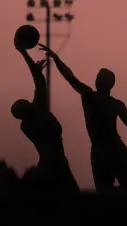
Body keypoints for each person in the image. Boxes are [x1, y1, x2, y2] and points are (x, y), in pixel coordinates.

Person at [38, 43, 127, 195]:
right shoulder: (96, 98)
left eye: (99, 79)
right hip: (106, 149)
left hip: (109, 149)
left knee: (120, 192)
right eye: (97, 78)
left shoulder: (97, 99)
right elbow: (71, 78)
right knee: (112, 193)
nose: (97, 81)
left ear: (107, 84)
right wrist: (56, 59)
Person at [11, 39, 79, 193]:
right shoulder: (34, 117)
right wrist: (24, 54)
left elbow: (40, 82)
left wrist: (30, 63)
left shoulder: (32, 117)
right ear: (22, 111)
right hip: (53, 166)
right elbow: (39, 83)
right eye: (21, 102)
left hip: (54, 164)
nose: (25, 99)